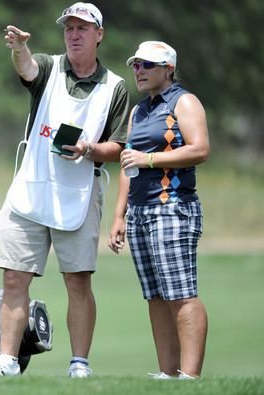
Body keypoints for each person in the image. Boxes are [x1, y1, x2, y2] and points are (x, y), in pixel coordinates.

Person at [0, 3, 129, 378]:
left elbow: (118, 146)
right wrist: (19, 49)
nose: (74, 34)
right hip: (31, 191)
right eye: (69, 28)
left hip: (78, 194)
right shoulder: (48, 66)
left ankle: (79, 363)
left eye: (83, 28)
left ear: (100, 34)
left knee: (77, 281)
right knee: (14, 277)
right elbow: (28, 69)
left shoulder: (115, 87)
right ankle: (8, 361)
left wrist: (89, 149)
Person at [108, 41, 210, 379]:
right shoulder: (140, 110)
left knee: (181, 295)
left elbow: (200, 149)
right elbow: (127, 164)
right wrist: (119, 216)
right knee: (155, 296)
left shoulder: (184, 101)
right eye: (136, 65)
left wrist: (150, 158)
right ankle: (168, 374)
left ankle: (190, 377)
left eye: (146, 65)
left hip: (173, 208)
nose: (138, 71)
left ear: (168, 68)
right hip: (139, 211)